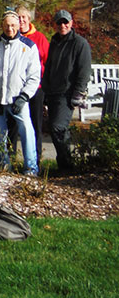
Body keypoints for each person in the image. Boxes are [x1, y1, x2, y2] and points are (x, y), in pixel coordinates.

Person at [0, 10, 40, 175]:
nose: (10, 28)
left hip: (18, 99)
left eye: (13, 25)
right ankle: (3, 166)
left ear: (18, 25)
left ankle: (31, 167)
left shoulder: (28, 47)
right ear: (2, 25)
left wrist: (24, 96)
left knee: (27, 132)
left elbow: (34, 76)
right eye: (6, 25)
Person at [43, 9, 92, 174]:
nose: (62, 25)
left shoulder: (80, 43)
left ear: (71, 23)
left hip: (67, 93)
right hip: (52, 93)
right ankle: (64, 164)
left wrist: (78, 94)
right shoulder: (55, 42)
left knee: (59, 127)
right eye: (59, 23)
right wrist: (45, 90)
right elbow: (48, 67)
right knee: (54, 128)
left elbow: (84, 71)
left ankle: (67, 166)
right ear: (55, 25)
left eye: (65, 22)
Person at [15, 6, 49, 169]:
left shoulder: (40, 38)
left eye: (24, 17)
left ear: (29, 19)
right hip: (16, 88)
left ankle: (36, 158)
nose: (21, 21)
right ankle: (10, 157)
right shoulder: (12, 36)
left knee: (35, 123)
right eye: (18, 17)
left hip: (36, 87)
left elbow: (47, 63)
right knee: (14, 124)